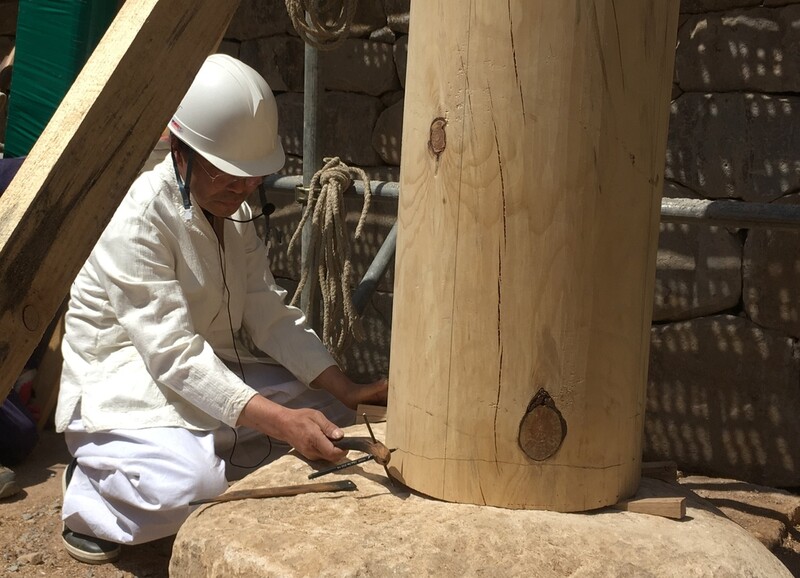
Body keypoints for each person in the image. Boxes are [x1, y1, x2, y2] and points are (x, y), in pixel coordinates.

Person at [55, 54, 387, 564]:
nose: (243, 189)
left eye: (252, 178)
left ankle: (201, 453)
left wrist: (349, 388)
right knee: (187, 487)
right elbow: (173, 356)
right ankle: (96, 480)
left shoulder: (236, 212)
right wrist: (278, 421)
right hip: (127, 381)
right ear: (179, 149)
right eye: (229, 176)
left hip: (205, 369)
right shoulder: (134, 219)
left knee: (335, 417)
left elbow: (267, 312)